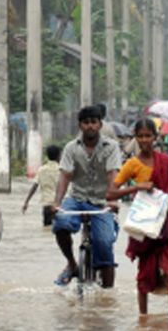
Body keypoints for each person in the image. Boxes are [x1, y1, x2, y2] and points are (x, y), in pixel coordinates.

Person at [106, 118, 168, 314]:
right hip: (144, 227)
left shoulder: (167, 162)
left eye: (148, 136)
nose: (144, 140)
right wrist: (136, 187)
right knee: (144, 277)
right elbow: (110, 193)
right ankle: (143, 319)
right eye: (140, 136)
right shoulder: (132, 164)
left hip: (167, 228)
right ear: (135, 138)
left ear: (155, 138)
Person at [51, 106, 122, 287]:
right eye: (86, 122)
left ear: (100, 124)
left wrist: (113, 200)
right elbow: (65, 175)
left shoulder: (112, 147)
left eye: (93, 122)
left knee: (105, 244)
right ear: (80, 125)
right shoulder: (70, 148)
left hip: (102, 202)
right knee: (60, 223)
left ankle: (107, 296)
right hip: (77, 199)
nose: (90, 126)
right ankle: (72, 264)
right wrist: (57, 202)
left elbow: (112, 174)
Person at [22, 145, 62, 227]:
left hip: (47, 206)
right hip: (59, 205)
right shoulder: (62, 170)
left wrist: (26, 202)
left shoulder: (41, 170)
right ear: (59, 156)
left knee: (47, 228)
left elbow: (34, 187)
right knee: (59, 231)